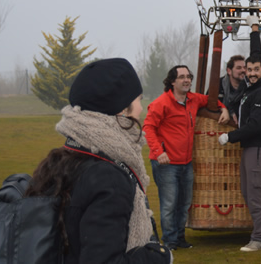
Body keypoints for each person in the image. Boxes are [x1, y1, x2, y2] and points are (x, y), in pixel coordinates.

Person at [25, 58, 172, 264]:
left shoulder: (60, 161)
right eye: (138, 99)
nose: (141, 108)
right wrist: (156, 256)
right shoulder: (108, 179)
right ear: (121, 109)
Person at [143, 65, 227, 251]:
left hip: (186, 163)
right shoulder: (161, 103)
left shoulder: (193, 99)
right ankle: (170, 241)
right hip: (166, 163)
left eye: (188, 76)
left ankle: (180, 238)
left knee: (184, 204)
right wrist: (159, 152)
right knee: (169, 204)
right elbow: (148, 128)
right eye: (182, 77)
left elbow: (211, 100)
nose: (186, 80)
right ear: (172, 81)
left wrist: (224, 109)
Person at [217, 43, 261, 252]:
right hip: (252, 147)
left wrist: (230, 136)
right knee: (250, 191)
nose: (252, 74)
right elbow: (255, 52)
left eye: (256, 70)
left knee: (254, 192)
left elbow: (255, 125)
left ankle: (259, 238)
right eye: (249, 70)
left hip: (260, 147)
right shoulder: (251, 88)